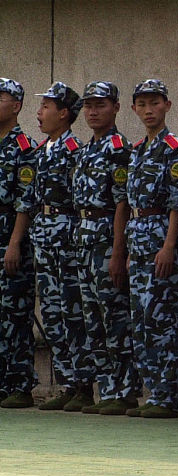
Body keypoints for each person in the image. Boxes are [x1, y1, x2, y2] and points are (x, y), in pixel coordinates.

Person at [72, 81, 139, 415]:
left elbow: (122, 205)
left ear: (115, 107)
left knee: (115, 318)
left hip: (105, 241)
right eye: (88, 106)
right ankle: (107, 389)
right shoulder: (86, 150)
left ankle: (125, 390)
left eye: (100, 105)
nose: (93, 111)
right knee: (92, 320)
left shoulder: (118, 148)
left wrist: (117, 252)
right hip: (83, 242)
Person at [124, 79, 178, 418]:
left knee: (163, 317)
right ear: (134, 108)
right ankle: (154, 392)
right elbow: (133, 203)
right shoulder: (137, 150)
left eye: (155, 103)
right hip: (139, 238)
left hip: (162, 236)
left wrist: (169, 245)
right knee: (142, 320)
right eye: (142, 104)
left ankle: (168, 395)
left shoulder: (174, 148)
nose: (149, 110)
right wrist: (132, 247)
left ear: (167, 106)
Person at [25, 83, 89, 412]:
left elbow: (80, 201)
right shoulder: (40, 152)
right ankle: (64, 381)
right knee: (50, 313)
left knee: (72, 311)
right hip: (44, 240)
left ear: (63, 113)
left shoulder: (74, 151)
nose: (39, 113)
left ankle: (82, 384)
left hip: (67, 240)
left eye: (46, 107)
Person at [0, 78, 39, 408]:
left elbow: (26, 202)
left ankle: (19, 383)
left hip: (11, 240)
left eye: (1, 98)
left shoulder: (24, 146)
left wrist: (14, 244)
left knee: (15, 313)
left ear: (16, 106)